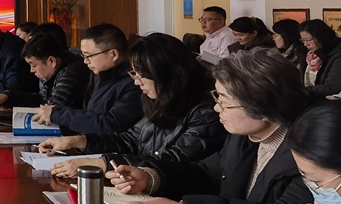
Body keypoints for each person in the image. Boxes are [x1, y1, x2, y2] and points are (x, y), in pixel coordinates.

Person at [107, 50, 310, 204]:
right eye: (217, 97)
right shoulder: (245, 137)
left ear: (263, 108)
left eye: (224, 102)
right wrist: (152, 178)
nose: (216, 108)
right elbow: (206, 173)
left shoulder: (308, 151)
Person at [39, 33, 225, 178]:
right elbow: (131, 140)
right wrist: (79, 141)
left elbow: (172, 162)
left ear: (167, 73)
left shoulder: (207, 112)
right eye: (134, 74)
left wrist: (102, 163)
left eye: (142, 75)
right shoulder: (159, 99)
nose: (137, 82)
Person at [31, 23, 143, 135]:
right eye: (83, 56)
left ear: (113, 54)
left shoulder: (134, 83)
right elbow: (89, 115)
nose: (85, 61)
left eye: (89, 56)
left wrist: (60, 114)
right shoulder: (99, 75)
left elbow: (111, 125)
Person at [0, 33, 89, 111]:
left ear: (51, 61)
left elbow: (53, 111)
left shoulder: (72, 73)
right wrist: (7, 97)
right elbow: (42, 99)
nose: (31, 70)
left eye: (34, 65)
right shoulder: (58, 69)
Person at [300, 19, 341, 99]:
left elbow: (332, 87)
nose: (305, 44)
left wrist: (302, 91)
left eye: (309, 40)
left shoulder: (337, 54)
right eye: (303, 40)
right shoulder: (310, 53)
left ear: (321, 37)